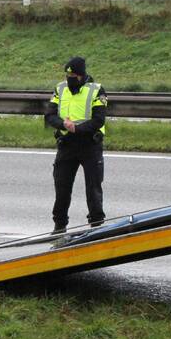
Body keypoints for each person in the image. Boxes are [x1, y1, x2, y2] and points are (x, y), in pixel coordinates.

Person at [44, 56, 106, 233]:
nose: (69, 79)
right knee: (62, 187)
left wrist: (77, 128)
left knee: (93, 188)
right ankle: (59, 226)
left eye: (73, 76)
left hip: (90, 145)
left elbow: (99, 120)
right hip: (66, 145)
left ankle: (96, 226)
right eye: (67, 76)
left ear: (81, 75)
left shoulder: (96, 90)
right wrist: (64, 125)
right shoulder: (60, 88)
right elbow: (49, 115)